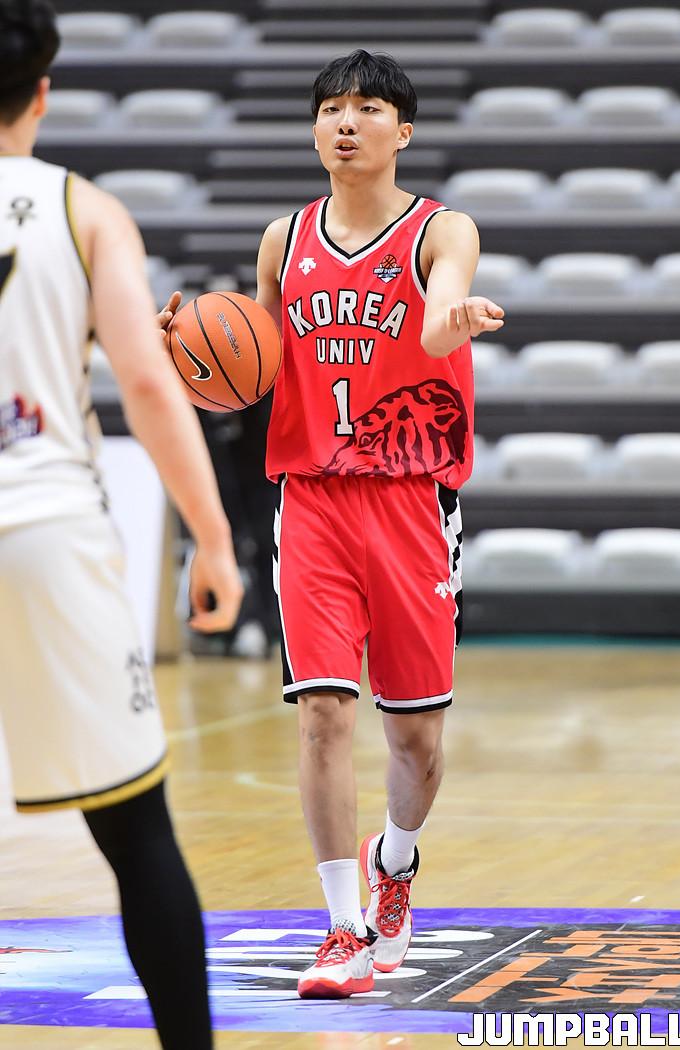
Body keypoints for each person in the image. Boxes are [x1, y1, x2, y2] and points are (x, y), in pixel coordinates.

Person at [0, 2, 243, 1047]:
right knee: (137, 832)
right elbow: (147, 385)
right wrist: (215, 540)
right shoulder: (83, 209)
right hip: (44, 527)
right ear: (43, 93)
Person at [257, 50, 504, 997]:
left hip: (411, 502)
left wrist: (455, 320)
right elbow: (259, 367)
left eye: (366, 108)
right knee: (324, 713)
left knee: (417, 741)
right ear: (314, 129)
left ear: (403, 130)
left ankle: (394, 862)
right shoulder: (283, 239)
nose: (345, 122)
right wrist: (196, 360)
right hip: (313, 497)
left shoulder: (443, 230)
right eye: (331, 108)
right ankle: (340, 928)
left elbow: (437, 320)